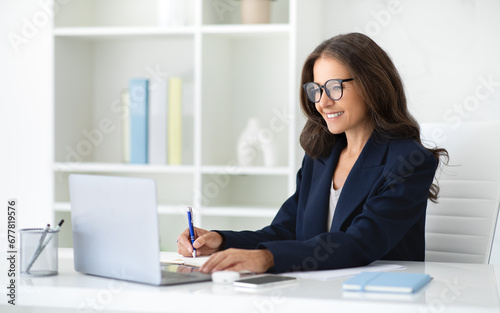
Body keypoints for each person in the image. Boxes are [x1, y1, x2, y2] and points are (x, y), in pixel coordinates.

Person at [177, 32, 448, 274]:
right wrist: (221, 240)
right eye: (316, 90)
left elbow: (361, 242)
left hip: (379, 296)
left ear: (371, 85)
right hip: (317, 292)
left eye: (334, 87)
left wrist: (269, 258)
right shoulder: (321, 155)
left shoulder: (409, 161)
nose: (323, 101)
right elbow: (286, 230)